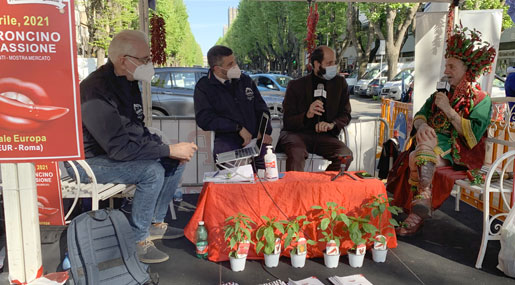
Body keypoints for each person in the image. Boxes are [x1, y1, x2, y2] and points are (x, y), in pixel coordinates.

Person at [79, 30, 198, 263]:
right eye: (145, 59)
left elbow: (137, 130)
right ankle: (137, 240)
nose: (149, 64)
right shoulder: (95, 89)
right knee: (151, 171)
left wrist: (168, 150)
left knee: (173, 160)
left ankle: (155, 223)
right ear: (124, 60)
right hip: (89, 163)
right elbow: (119, 149)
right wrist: (168, 149)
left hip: (113, 155)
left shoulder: (128, 81)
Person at [394, 25, 496, 236]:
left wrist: (448, 110)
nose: (445, 71)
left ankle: (419, 207)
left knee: (416, 155)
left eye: (451, 67)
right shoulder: (439, 94)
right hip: (431, 147)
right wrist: (422, 127)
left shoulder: (481, 99)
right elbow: (420, 115)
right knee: (420, 150)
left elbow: (472, 136)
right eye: (446, 66)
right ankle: (422, 201)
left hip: (457, 150)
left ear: (467, 71)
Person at [194, 45, 272, 169]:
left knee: (268, 168)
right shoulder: (204, 87)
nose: (235, 66)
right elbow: (204, 119)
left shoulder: (245, 80)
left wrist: (264, 131)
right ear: (217, 69)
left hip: (255, 139)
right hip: (227, 140)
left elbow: (261, 107)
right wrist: (237, 128)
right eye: (230, 64)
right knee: (235, 174)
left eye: (234, 61)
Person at [276, 46, 353, 171]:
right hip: (296, 134)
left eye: (334, 62)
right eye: (329, 63)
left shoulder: (340, 84)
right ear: (317, 64)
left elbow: (346, 115)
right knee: (297, 152)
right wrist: (307, 115)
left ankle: (324, 187)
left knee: (346, 155)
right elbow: (288, 121)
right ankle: (296, 189)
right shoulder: (296, 86)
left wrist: (331, 124)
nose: (333, 66)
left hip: (325, 136)